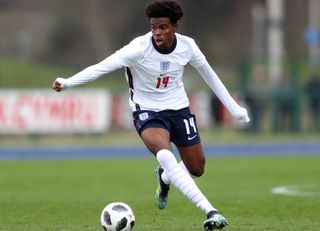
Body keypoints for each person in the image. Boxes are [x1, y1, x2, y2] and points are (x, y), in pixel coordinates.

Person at [52, 1, 250, 230]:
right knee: (165, 154)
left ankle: (165, 178)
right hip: (146, 111)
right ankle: (211, 211)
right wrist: (68, 82)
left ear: (175, 26)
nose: (157, 32)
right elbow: (102, 67)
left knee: (197, 167)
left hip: (178, 109)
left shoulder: (188, 47)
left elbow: (210, 76)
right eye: (153, 27)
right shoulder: (137, 49)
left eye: (163, 27)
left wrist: (234, 108)